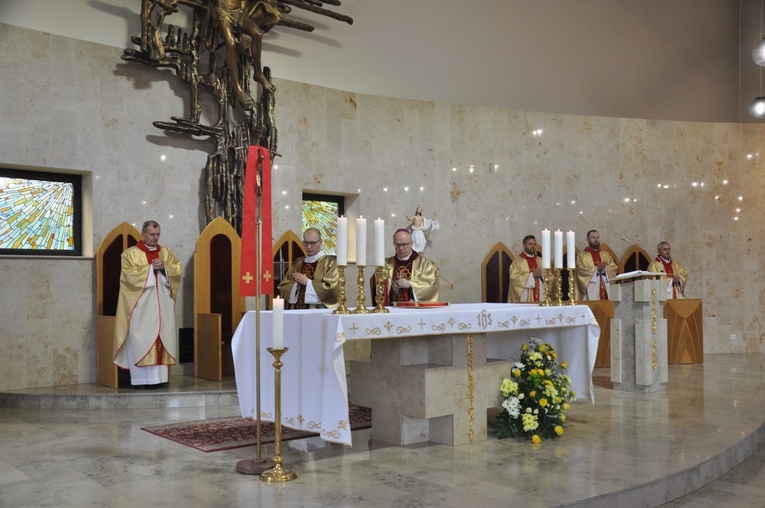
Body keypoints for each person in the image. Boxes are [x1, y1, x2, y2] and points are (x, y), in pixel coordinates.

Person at [113, 220, 182, 387]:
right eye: (152, 234)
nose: (155, 238)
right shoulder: (130, 254)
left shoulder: (166, 253)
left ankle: (159, 380)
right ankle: (141, 380)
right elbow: (128, 277)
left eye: (158, 234)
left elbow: (177, 270)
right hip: (141, 307)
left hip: (162, 306)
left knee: (162, 337)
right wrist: (151, 269)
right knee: (141, 339)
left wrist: (165, 269)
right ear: (143, 233)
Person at [211, 0, 285, 108]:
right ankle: (238, 89)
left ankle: (258, 74)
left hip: (237, 12)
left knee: (257, 34)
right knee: (231, 43)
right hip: (221, 12)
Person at [372, 229, 440, 305]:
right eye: (397, 245)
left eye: (404, 244)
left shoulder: (424, 264)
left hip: (413, 311)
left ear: (411, 243)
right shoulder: (386, 264)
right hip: (391, 310)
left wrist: (411, 285)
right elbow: (376, 284)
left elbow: (431, 285)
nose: (401, 248)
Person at [277, 227, 340, 309]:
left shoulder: (330, 262)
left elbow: (332, 290)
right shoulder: (298, 262)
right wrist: (296, 285)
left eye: (312, 243)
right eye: (306, 243)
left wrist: (308, 282)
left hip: (318, 312)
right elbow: (285, 285)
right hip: (296, 311)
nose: (309, 247)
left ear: (320, 242)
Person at [576, 229, 617, 300]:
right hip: (591, 289)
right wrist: (597, 269)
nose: (596, 240)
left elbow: (613, 268)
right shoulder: (582, 256)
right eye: (593, 237)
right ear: (587, 239)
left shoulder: (605, 254)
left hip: (606, 287)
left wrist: (604, 269)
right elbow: (581, 271)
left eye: (598, 237)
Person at [508, 235, 545, 303]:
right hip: (525, 298)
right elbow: (514, 278)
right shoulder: (517, 262)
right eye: (530, 244)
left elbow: (550, 277)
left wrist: (542, 276)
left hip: (540, 297)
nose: (533, 246)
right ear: (524, 245)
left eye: (534, 244)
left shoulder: (541, 261)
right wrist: (531, 275)